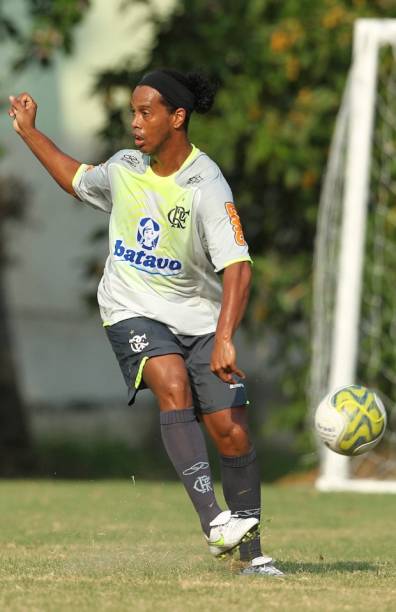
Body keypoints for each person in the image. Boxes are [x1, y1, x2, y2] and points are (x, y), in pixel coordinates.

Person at [8, 68, 283, 576]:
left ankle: (252, 558)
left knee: (233, 432)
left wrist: (224, 339)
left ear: (177, 118)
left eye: (145, 112)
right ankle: (214, 524)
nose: (135, 123)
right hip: (130, 307)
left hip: (199, 319)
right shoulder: (124, 167)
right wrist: (28, 132)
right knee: (171, 382)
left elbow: (238, 267)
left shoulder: (206, 186)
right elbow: (73, 176)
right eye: (132, 112)